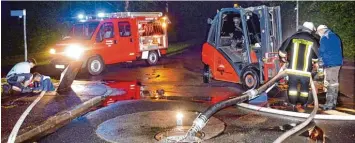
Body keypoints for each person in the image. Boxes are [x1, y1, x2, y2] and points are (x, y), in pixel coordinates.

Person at [278, 22, 319, 112]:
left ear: (302, 28)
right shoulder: (313, 40)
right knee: (304, 88)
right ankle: (303, 104)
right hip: (305, 71)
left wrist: (284, 59)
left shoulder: (293, 37)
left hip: (293, 70)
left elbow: (281, 51)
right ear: (311, 31)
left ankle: (293, 103)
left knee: (292, 87)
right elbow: (316, 57)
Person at [316, 25, 343, 110]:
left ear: (321, 30)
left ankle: (329, 105)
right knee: (334, 83)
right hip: (337, 63)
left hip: (330, 64)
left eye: (318, 32)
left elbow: (322, 51)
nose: (319, 34)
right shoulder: (335, 36)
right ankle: (333, 103)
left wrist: (320, 62)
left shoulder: (324, 37)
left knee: (329, 84)